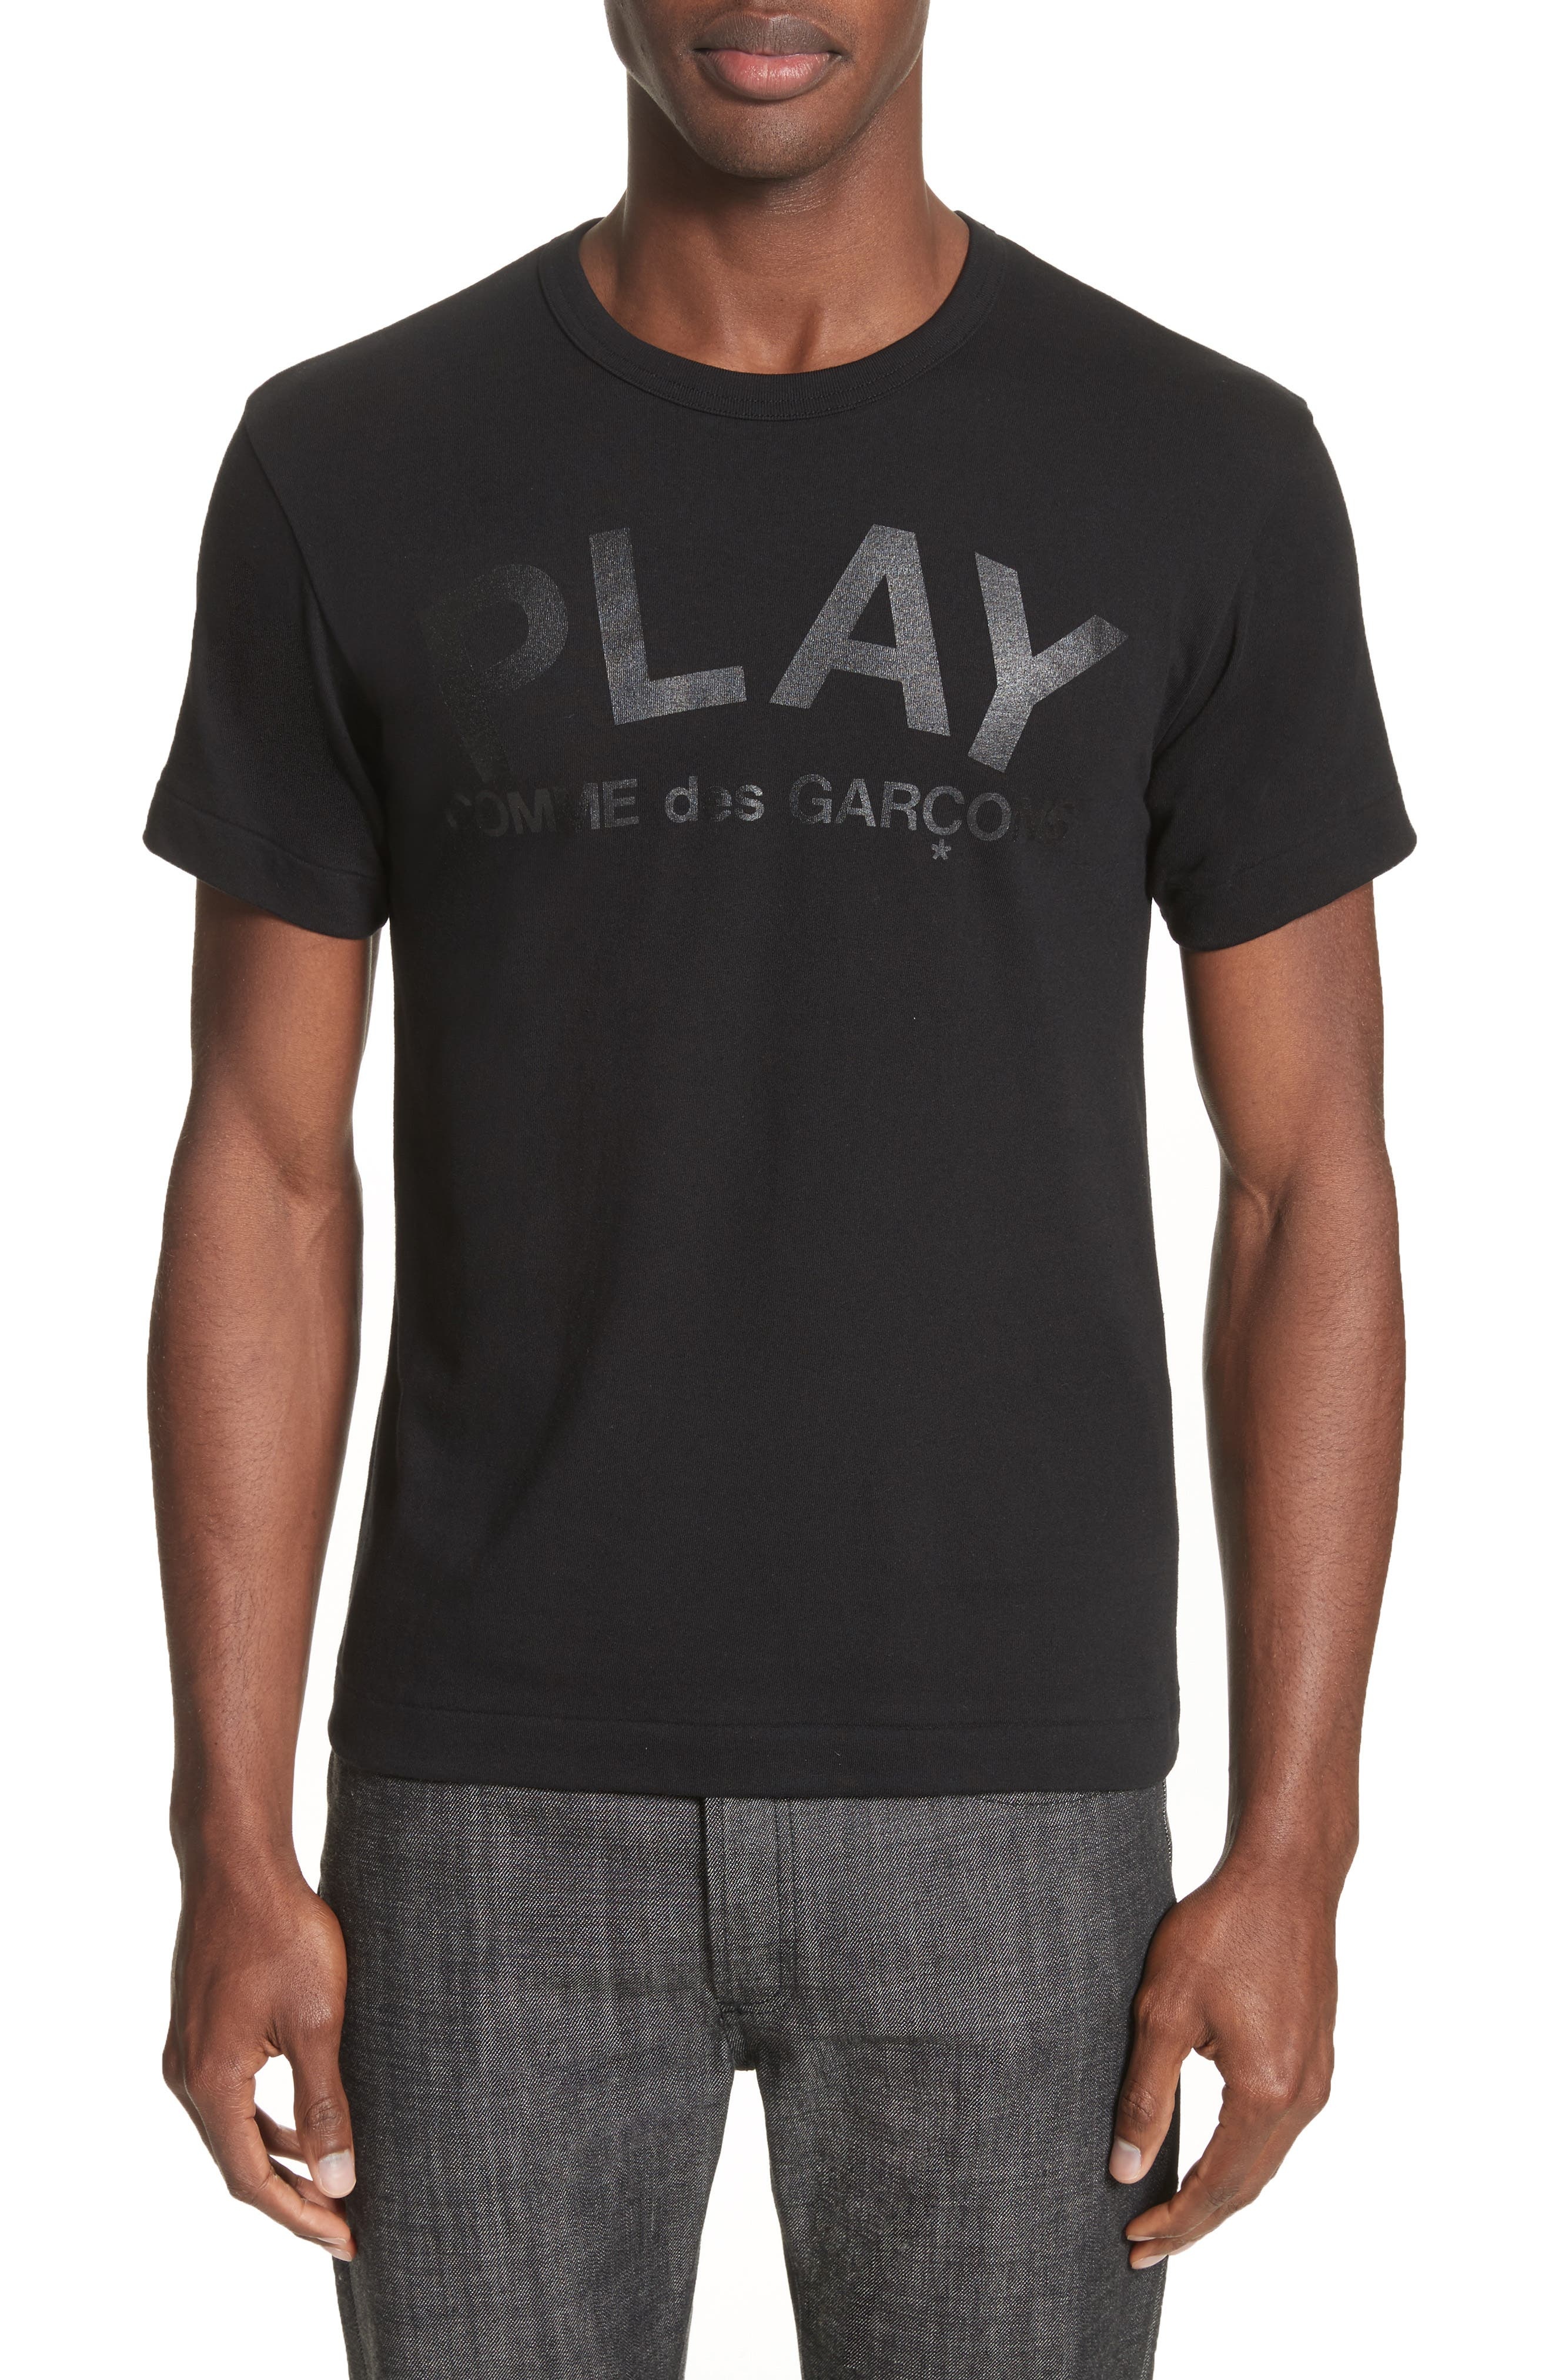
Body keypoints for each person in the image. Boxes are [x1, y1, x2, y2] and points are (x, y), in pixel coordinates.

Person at [147, 4, 1413, 2373]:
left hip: (1018, 1794)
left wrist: (1298, 1841)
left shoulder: (1200, 466)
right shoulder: (354, 460)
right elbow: (263, 1165)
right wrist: (227, 1829)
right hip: (486, 1796)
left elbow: (1307, 1183)